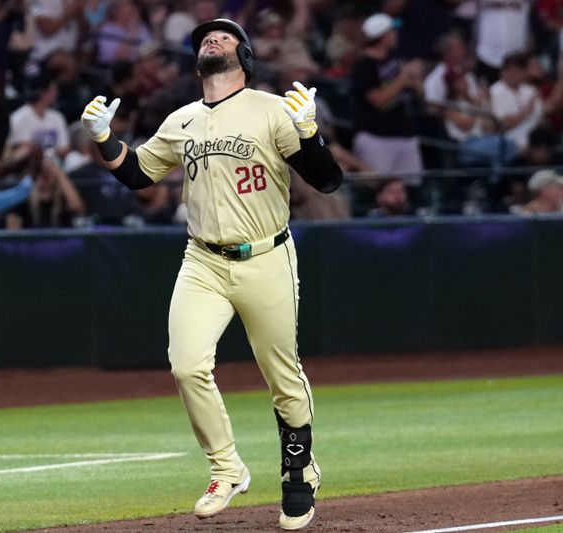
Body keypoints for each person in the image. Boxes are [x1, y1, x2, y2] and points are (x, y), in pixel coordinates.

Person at [80, 17, 342, 530]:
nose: (212, 38)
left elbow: (328, 180)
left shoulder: (271, 109)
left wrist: (309, 133)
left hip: (266, 255)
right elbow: (137, 173)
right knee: (185, 365)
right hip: (202, 259)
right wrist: (104, 138)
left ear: (244, 55)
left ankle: (298, 471)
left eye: (224, 35)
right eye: (206, 36)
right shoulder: (181, 119)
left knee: (282, 375)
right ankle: (226, 467)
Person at [350, 13, 424, 187]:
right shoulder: (364, 66)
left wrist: (416, 80)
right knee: (380, 190)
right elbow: (377, 100)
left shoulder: (397, 59)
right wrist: (402, 78)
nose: (395, 35)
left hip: (405, 135)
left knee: (412, 191)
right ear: (382, 37)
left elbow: (421, 97)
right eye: (392, 32)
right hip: (376, 139)